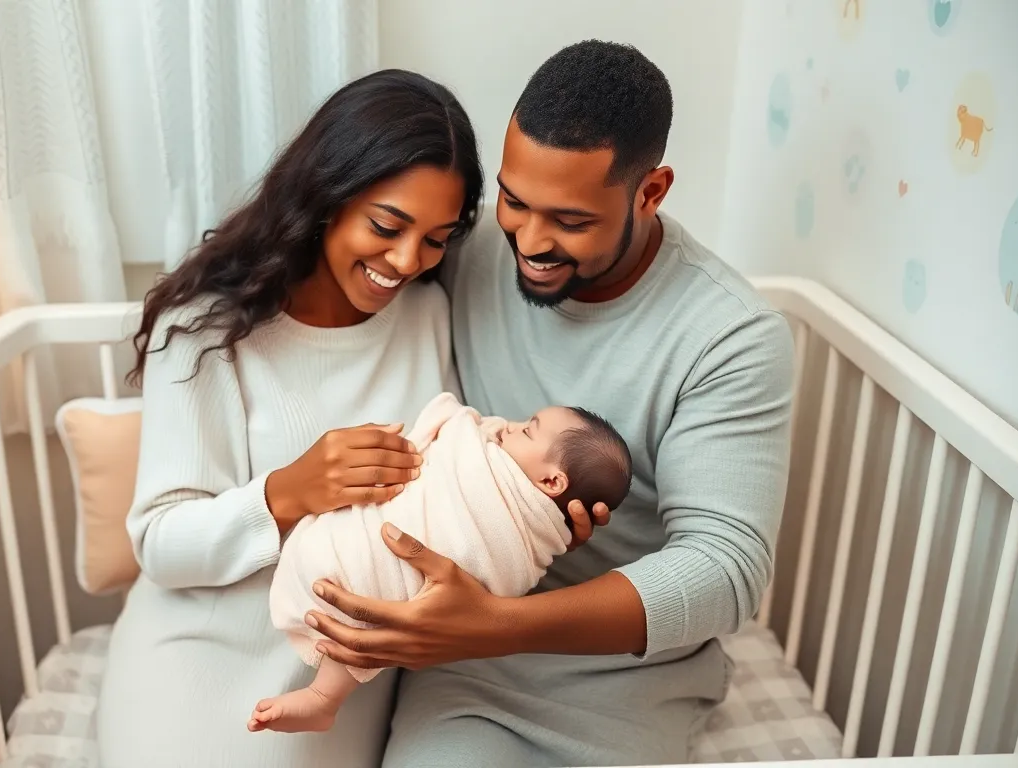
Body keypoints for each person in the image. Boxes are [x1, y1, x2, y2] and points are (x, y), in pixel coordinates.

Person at [306, 40, 797, 767]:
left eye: (570, 220)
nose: (529, 241)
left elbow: (726, 570)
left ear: (651, 191)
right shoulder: (466, 250)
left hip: (622, 673)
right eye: (513, 200)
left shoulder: (730, 337)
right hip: (466, 666)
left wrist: (497, 623)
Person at [93, 69, 483, 768]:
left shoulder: (428, 314)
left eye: (436, 238)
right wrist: (287, 493)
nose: (405, 261)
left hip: (335, 677)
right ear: (327, 195)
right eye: (387, 226)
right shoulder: (205, 329)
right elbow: (160, 544)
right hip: (196, 656)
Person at [250, 392, 632, 734]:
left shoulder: (526, 521)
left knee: (372, 611)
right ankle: (325, 696)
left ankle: (323, 698)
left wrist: (458, 424)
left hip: (389, 575)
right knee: (366, 617)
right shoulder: (520, 487)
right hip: (370, 557)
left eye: (527, 431)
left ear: (551, 482)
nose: (510, 426)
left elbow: (499, 565)